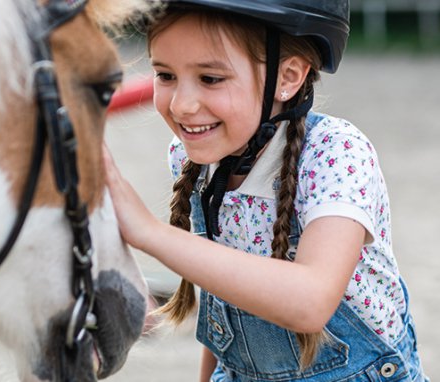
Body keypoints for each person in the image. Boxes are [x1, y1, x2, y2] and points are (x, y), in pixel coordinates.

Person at [104, 0, 429, 381]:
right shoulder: (196, 159)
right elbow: (225, 292)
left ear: (288, 77)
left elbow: (310, 301)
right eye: (165, 75)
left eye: (210, 78)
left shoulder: (335, 153)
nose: (181, 104)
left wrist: (148, 232)